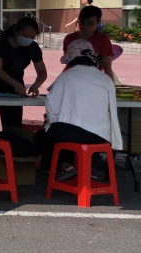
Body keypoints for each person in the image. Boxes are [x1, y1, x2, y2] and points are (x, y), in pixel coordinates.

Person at [36, 38, 121, 179]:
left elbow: (51, 107)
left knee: (42, 137)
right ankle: (88, 168)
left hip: (69, 134)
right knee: (64, 133)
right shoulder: (105, 79)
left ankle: (65, 165)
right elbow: (111, 108)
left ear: (71, 60)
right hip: (100, 137)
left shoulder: (65, 77)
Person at [0, 17, 47, 130]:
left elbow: (42, 72)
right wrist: (16, 84)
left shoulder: (33, 47)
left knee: (13, 128)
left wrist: (35, 86)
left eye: (32, 37)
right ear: (17, 32)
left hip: (14, 92)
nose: (28, 39)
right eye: (25, 35)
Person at [62, 4, 116, 81]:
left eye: (90, 23)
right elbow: (67, 60)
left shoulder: (103, 39)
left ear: (98, 22)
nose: (85, 26)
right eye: (82, 22)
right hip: (70, 77)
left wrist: (111, 89)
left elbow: (107, 68)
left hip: (92, 79)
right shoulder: (69, 38)